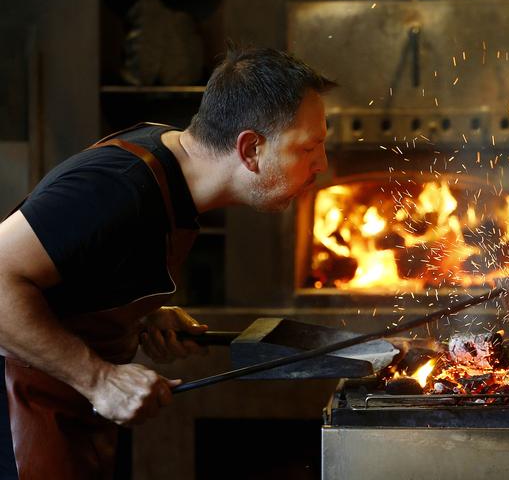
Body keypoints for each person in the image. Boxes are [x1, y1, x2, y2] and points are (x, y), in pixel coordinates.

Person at [0, 46, 334, 479]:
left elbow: (74, 275)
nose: (321, 165)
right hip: (16, 420)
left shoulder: (173, 168)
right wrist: (98, 379)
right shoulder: (118, 186)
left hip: (71, 419)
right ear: (250, 149)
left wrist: (137, 318)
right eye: (310, 147)